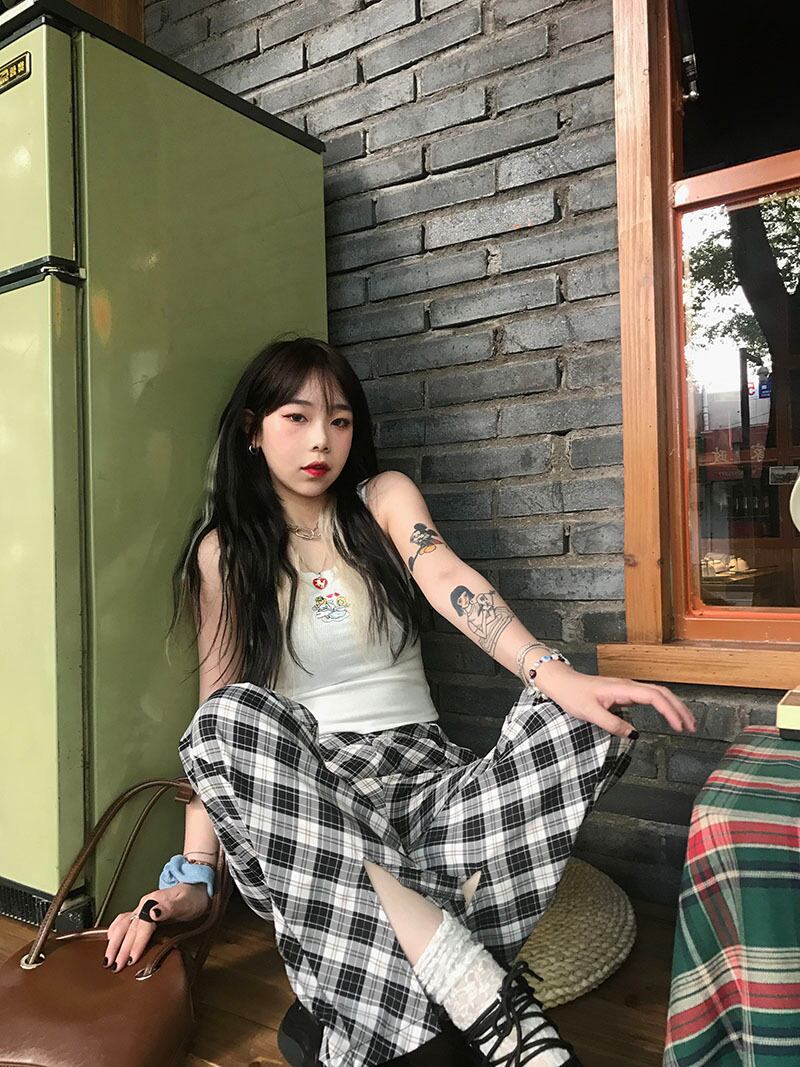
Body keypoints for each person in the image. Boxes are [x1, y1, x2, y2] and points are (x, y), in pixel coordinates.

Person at [102, 336, 697, 1067]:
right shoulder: (223, 552)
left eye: (340, 420)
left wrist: (549, 672)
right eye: (297, 417)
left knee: (578, 717)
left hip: (432, 797)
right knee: (225, 720)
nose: (322, 441)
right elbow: (219, 724)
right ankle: (493, 1010)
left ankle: (361, 1013)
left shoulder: (380, 500)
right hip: (311, 809)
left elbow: (447, 575)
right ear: (253, 430)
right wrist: (194, 877)